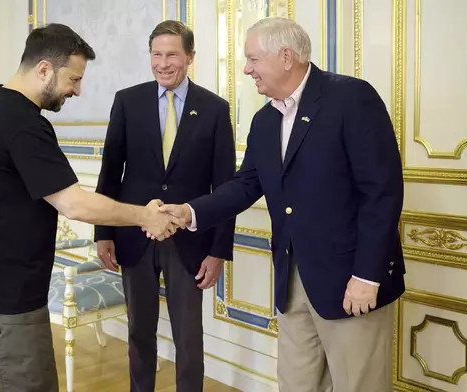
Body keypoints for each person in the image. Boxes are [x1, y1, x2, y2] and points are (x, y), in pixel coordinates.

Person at [157, 17, 405, 392]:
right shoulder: (264, 120)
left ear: (286, 56)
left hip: (350, 281)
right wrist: (190, 212)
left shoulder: (350, 98)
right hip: (292, 282)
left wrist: (367, 276)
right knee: (296, 385)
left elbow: (381, 192)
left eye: (253, 59)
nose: (246, 69)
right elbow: (246, 184)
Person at [0, 23, 185, 392]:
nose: (76, 89)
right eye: (73, 78)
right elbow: (73, 203)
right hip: (6, 293)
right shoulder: (22, 123)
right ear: (44, 69)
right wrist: (144, 215)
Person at [94, 20, 236, 392]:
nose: (163, 63)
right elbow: (110, 172)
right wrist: (103, 234)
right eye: (156, 54)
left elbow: (225, 188)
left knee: (189, 336)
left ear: (190, 57)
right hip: (133, 236)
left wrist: (218, 251)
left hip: (190, 241)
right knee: (139, 330)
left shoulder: (215, 109)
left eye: (172, 54)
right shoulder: (127, 101)